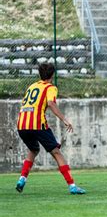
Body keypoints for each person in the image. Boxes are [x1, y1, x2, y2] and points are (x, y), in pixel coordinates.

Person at [15, 63, 86, 195]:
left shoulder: (32, 86)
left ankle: (22, 179)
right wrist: (64, 120)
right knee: (56, 152)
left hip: (21, 124)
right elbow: (51, 103)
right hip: (37, 124)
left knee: (33, 149)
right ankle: (72, 186)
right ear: (52, 75)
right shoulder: (51, 88)